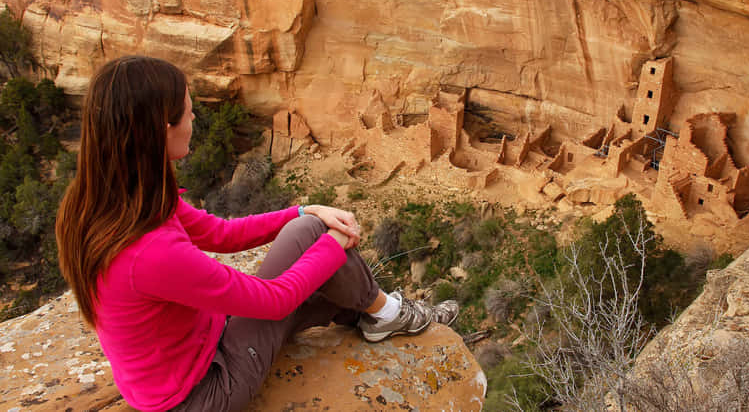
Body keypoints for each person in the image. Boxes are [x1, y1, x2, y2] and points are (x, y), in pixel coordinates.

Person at [55, 56, 458, 412]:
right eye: (188, 112)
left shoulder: (115, 199)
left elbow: (221, 234)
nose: (194, 120)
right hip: (204, 391)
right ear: (162, 129)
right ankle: (387, 314)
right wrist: (333, 247)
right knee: (316, 263)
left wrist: (304, 210)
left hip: (199, 346)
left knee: (309, 228)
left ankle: (380, 312)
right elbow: (274, 301)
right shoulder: (149, 252)